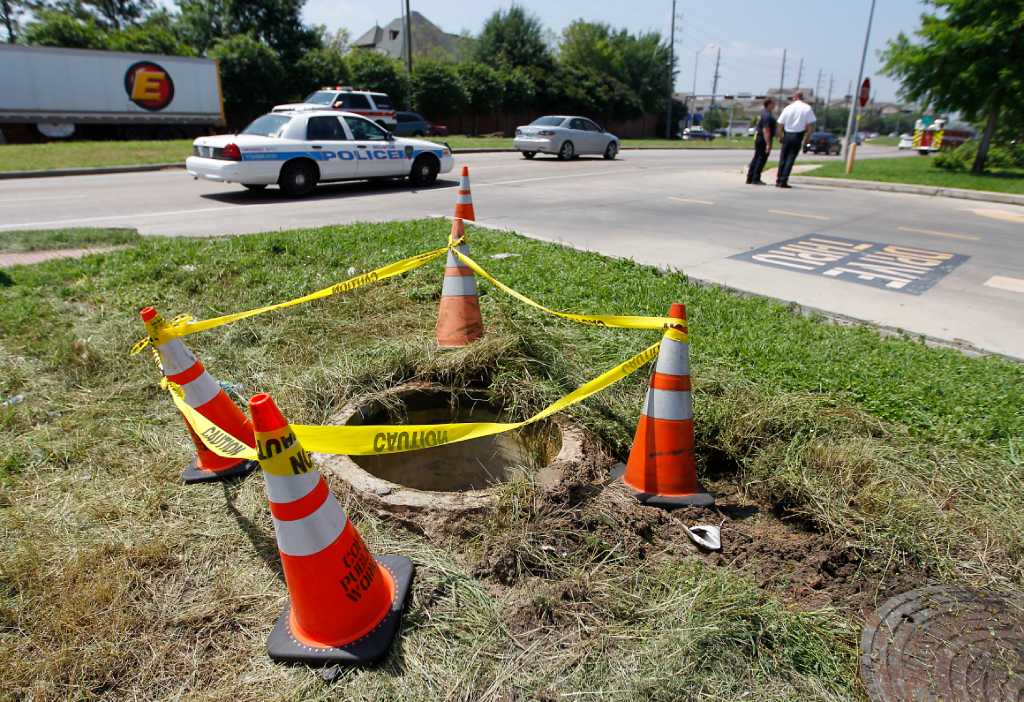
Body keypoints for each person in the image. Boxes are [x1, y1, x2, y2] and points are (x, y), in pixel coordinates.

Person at [775, 91, 816, 188]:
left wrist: (781, 137)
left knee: (783, 158)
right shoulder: (807, 108)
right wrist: (806, 142)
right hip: (798, 135)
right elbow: (810, 127)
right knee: (790, 158)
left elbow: (780, 125)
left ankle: (778, 180)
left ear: (794, 98)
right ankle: (783, 181)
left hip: (787, 134)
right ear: (802, 98)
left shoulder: (788, 108)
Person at [746, 98, 776, 185]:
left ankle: (750, 177)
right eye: (773, 104)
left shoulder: (763, 113)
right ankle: (756, 178)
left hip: (759, 138)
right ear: (769, 104)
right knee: (761, 158)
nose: (774, 105)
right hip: (763, 139)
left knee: (756, 157)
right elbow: (766, 130)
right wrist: (768, 144)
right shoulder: (767, 115)